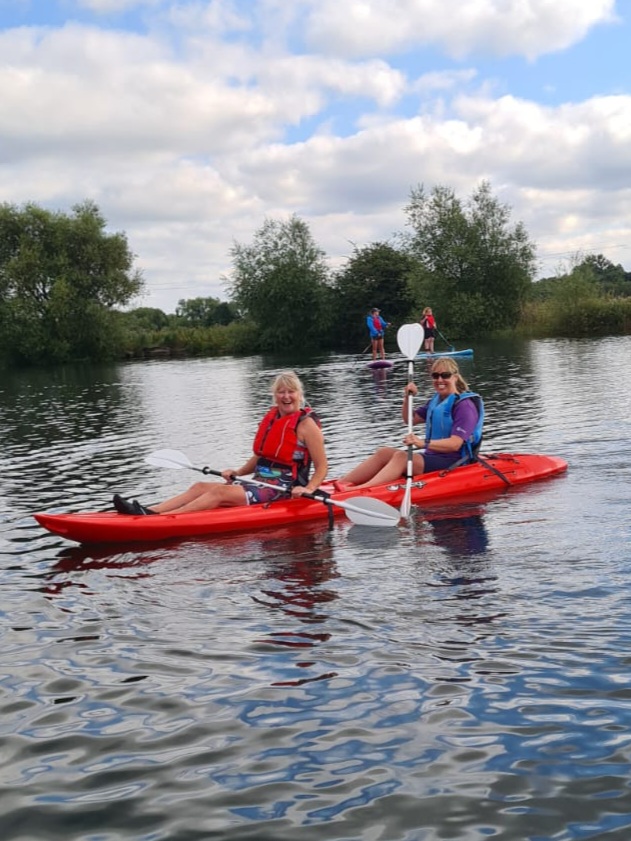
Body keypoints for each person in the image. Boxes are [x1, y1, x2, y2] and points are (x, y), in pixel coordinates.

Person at [112, 371, 328, 515]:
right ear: (275, 395)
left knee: (218, 494)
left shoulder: (307, 425)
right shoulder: (273, 419)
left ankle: (162, 519)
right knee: (199, 487)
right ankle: (150, 511)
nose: (286, 396)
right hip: (260, 482)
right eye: (281, 391)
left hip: (283, 489)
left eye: (291, 391)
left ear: (299, 395)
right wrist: (238, 472)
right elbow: (263, 455)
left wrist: (308, 488)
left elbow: (322, 467)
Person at [338, 358, 483, 489]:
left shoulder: (465, 406)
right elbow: (410, 420)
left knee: (401, 457)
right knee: (383, 452)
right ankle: (341, 484)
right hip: (433, 456)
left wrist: (423, 443)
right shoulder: (437, 401)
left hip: (454, 461)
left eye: (445, 375)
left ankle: (361, 490)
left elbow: (455, 444)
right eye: (435, 376)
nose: (440, 380)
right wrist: (407, 398)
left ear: (455, 377)